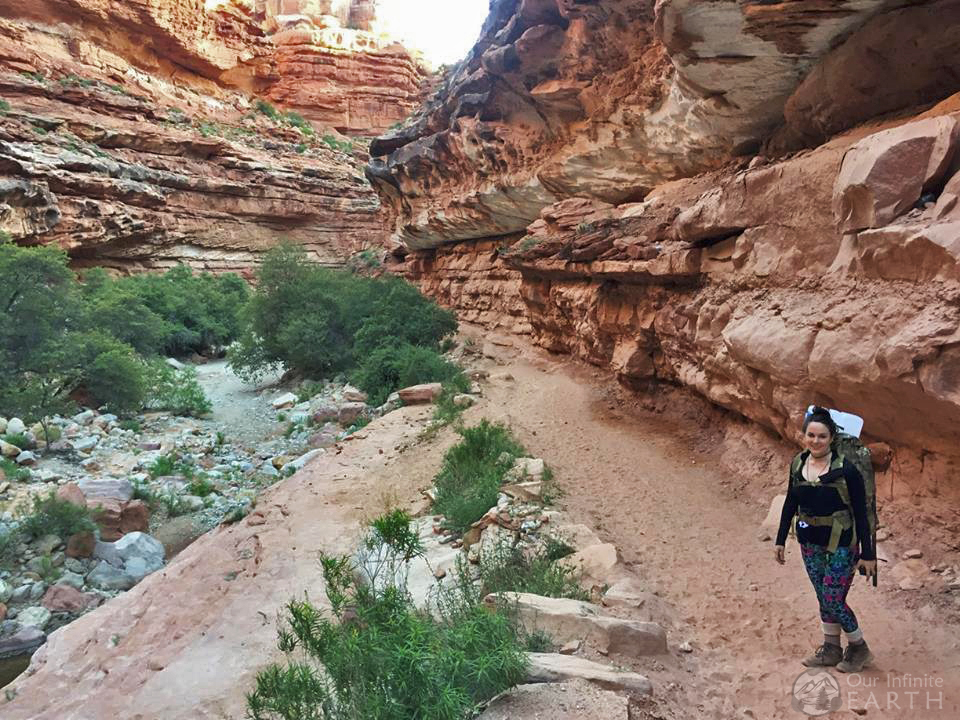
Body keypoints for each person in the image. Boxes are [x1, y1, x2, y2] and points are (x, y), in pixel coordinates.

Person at [774, 406, 877, 672]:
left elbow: (861, 513)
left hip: (842, 542)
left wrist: (868, 553)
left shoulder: (847, 470)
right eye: (811, 435)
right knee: (823, 596)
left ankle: (859, 646)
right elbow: (790, 502)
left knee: (832, 598)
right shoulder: (798, 463)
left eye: (821, 436)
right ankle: (831, 648)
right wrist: (780, 538)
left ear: (832, 438)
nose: (815, 441)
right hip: (809, 541)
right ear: (804, 436)